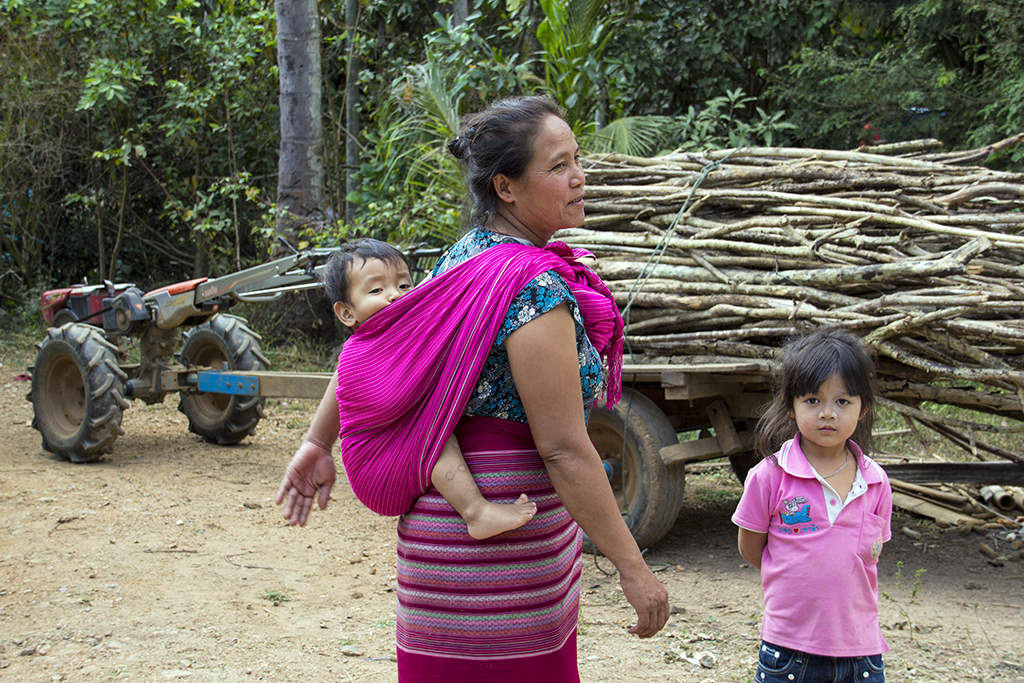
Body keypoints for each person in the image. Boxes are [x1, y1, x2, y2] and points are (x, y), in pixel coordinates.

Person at [276, 94, 669, 682]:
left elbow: (375, 344)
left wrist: (316, 442)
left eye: (577, 159)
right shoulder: (533, 289)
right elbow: (562, 447)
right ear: (506, 188)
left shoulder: (459, 261)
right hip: (503, 554)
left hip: (440, 554)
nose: (579, 177)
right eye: (558, 165)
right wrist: (633, 567)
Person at [319, 237, 537, 540]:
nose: (395, 295)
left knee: (432, 423)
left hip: (396, 449)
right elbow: (387, 399)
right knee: (432, 427)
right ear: (346, 313)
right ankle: (476, 512)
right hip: (374, 467)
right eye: (376, 290)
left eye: (405, 286)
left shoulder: (410, 334)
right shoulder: (357, 352)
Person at [732, 327, 892, 683]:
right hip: (789, 652)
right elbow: (752, 548)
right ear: (791, 406)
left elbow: (867, 559)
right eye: (813, 401)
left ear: (863, 408)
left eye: (843, 401)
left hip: (862, 655)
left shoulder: (876, 481)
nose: (828, 414)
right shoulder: (770, 477)